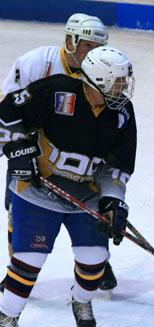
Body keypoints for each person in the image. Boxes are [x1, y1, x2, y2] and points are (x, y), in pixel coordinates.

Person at [0, 46, 137, 327]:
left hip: (84, 196)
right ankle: (6, 315)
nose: (124, 87)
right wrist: (19, 152)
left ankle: (81, 300)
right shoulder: (57, 91)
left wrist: (113, 201)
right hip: (38, 190)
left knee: (95, 261)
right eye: (118, 81)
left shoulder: (122, 114)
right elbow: (6, 113)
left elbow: (116, 167)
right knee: (29, 259)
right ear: (99, 80)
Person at [0, 13, 118, 293]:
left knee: (95, 210)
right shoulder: (36, 63)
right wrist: (18, 150)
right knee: (17, 207)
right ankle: (16, 268)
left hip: (79, 157)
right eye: (88, 46)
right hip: (33, 150)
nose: (95, 54)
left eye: (99, 47)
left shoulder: (103, 71)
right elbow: (6, 109)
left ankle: (99, 263)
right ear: (69, 41)